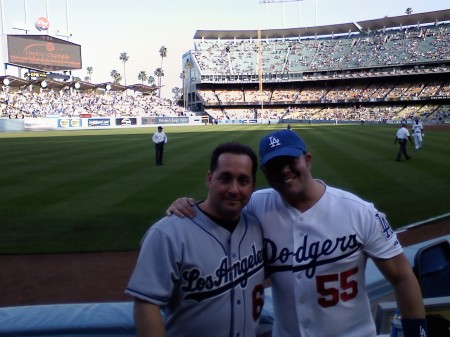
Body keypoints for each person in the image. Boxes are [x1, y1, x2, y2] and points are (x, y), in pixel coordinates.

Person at [166, 129, 427, 337]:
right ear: (265, 173)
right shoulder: (257, 205)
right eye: (274, 165)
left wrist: (417, 334)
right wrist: (189, 205)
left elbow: (403, 277)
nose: (284, 170)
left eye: (290, 161)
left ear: (308, 160)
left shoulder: (358, 211)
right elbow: (219, 208)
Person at [126, 142, 266, 337]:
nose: (234, 189)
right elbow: (146, 304)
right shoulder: (167, 234)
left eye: (243, 180)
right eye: (225, 178)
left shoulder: (258, 227)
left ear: (252, 185)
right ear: (210, 178)